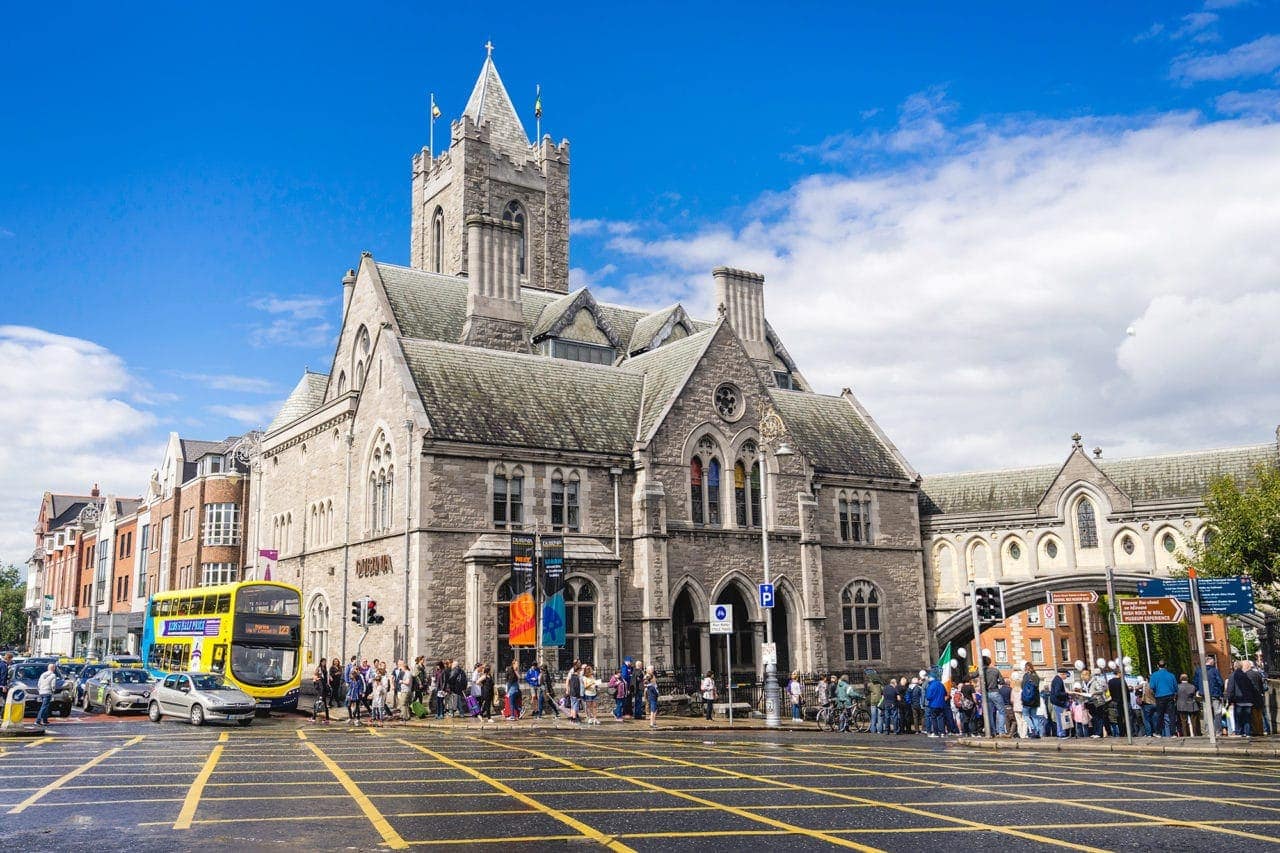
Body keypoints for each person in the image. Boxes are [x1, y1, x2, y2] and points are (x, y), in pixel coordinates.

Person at [1192, 655, 1226, 734]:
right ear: (1211, 662)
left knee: (1207, 713)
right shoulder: (1215, 670)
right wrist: (1221, 692)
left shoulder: (1199, 671)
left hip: (1204, 694)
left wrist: (1199, 690)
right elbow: (1220, 682)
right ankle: (1218, 731)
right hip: (1215, 694)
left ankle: (1208, 731)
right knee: (1217, 712)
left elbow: (1195, 682)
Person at [1231, 659, 1262, 737]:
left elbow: (1231, 688)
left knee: (1239, 718)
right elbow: (1253, 687)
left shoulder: (1234, 675)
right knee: (1247, 718)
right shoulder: (1251, 675)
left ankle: (1240, 732)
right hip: (1249, 700)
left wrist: (1230, 699)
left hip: (1239, 700)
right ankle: (1247, 733)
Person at [1149, 660, 1178, 738]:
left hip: (1159, 696)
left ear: (1157, 666)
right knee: (1171, 715)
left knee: (1160, 715)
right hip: (1170, 695)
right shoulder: (1171, 675)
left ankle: (1158, 732)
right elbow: (1176, 688)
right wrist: (1174, 695)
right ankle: (1173, 733)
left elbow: (1151, 688)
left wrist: (1155, 695)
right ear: (1166, 666)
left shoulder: (1154, 675)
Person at [983, 658, 1005, 737]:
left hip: (986, 693)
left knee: (990, 713)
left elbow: (972, 675)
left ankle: (993, 731)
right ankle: (1001, 731)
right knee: (1002, 711)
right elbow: (1002, 681)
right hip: (995, 692)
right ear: (989, 662)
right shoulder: (995, 670)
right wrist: (996, 682)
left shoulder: (982, 671)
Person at [1020, 663, 1044, 738]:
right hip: (1035, 699)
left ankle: (1033, 728)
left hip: (1027, 699)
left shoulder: (1026, 676)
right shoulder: (1036, 676)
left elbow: (1022, 687)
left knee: (1025, 715)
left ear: (1026, 668)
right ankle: (1037, 731)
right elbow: (1037, 686)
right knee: (1034, 716)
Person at [1049, 667, 1071, 738]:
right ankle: (1062, 734)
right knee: (1061, 719)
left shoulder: (1056, 679)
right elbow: (1057, 693)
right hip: (1059, 703)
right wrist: (1067, 693)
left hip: (1056, 702)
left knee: (1059, 719)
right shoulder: (1058, 680)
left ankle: (1060, 733)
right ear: (1062, 674)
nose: (1066, 677)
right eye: (1066, 675)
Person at [925, 673, 948, 737]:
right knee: (941, 718)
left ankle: (936, 733)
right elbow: (945, 693)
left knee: (934, 718)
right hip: (941, 704)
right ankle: (942, 732)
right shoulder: (941, 684)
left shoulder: (930, 686)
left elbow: (928, 697)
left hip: (933, 704)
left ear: (931, 678)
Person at [312, 658, 331, 723]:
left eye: (325, 662)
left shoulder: (324, 670)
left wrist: (321, 695)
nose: (324, 663)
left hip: (322, 691)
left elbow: (326, 679)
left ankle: (314, 718)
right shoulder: (319, 669)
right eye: (323, 662)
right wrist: (316, 679)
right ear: (321, 662)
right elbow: (314, 676)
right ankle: (327, 719)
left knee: (317, 704)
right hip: (322, 691)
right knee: (323, 704)